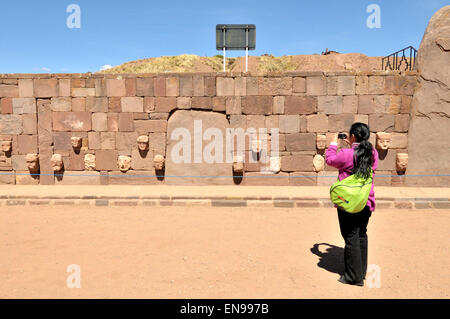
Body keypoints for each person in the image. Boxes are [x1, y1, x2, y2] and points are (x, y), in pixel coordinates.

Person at [325, 123, 379, 287]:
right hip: (366, 200)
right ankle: (361, 271)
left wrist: (334, 143)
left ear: (353, 137)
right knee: (362, 234)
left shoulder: (347, 154)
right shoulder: (373, 152)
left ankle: (353, 277)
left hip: (349, 203)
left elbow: (329, 160)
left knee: (350, 237)